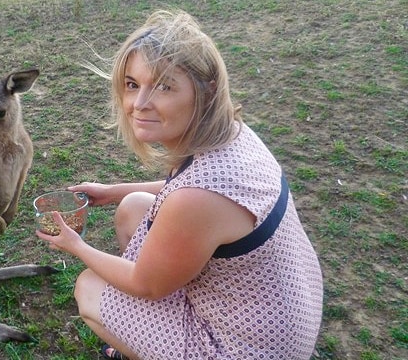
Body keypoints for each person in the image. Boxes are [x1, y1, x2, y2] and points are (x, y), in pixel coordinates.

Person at [36, 9, 323, 360]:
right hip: (281, 316)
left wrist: (75, 244)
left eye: (163, 86)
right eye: (132, 84)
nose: (138, 104)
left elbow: (147, 284)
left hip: (245, 349)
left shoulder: (198, 199)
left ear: (206, 90)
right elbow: (190, 191)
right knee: (133, 208)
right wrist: (114, 192)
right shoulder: (232, 136)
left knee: (89, 287)